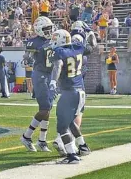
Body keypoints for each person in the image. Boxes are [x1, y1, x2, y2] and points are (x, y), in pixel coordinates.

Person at [49, 29, 90, 164]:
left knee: (62, 126)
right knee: (71, 121)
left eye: (55, 39)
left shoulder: (59, 52)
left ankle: (72, 155)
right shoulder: (78, 47)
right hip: (81, 92)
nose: (53, 41)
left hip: (69, 92)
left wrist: (53, 82)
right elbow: (89, 48)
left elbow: (58, 66)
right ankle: (83, 146)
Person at [21, 16, 54, 153]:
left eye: (50, 28)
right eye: (46, 29)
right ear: (39, 30)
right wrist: (27, 58)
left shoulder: (53, 38)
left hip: (51, 75)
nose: (49, 31)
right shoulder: (34, 42)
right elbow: (26, 57)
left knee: (47, 109)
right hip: (40, 74)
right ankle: (26, 136)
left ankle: (42, 140)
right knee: (45, 108)